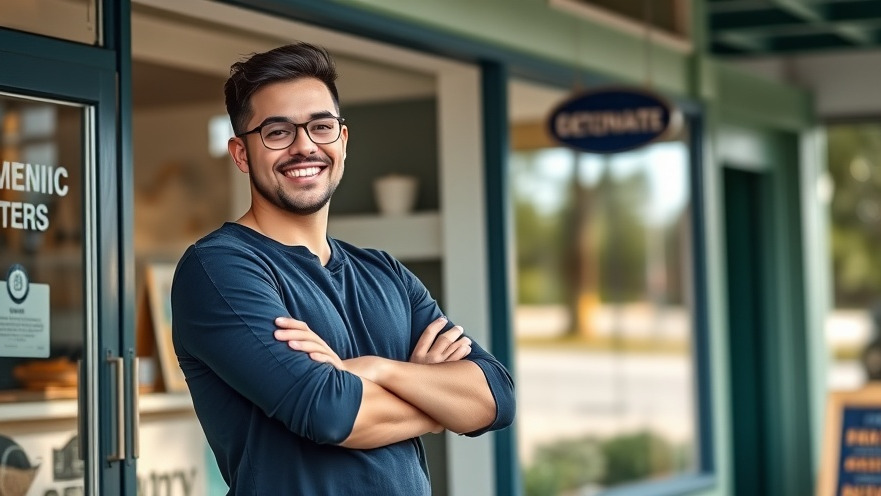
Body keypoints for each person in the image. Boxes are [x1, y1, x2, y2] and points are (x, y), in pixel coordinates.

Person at [170, 42, 515, 495]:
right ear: (241, 153)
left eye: (321, 127)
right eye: (277, 132)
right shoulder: (219, 269)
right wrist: (437, 408)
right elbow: (329, 412)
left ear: (343, 141)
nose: (304, 146)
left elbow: (495, 397)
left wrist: (376, 370)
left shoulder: (385, 273)